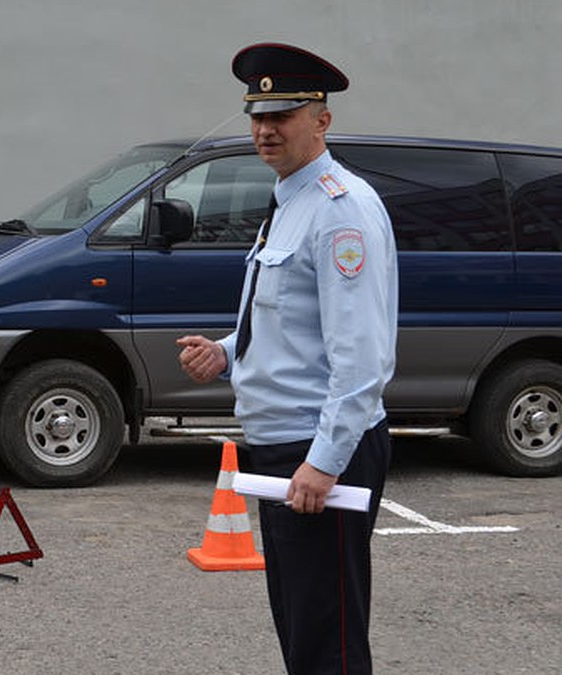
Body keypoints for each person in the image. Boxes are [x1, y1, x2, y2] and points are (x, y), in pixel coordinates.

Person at [177, 42, 398, 675]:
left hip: (317, 448)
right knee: (303, 626)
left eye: (283, 115)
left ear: (321, 120)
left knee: (328, 637)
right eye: (257, 117)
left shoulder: (339, 209)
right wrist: (224, 353)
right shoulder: (291, 198)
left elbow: (362, 359)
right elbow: (290, 324)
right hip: (285, 444)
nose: (266, 130)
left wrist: (324, 464)